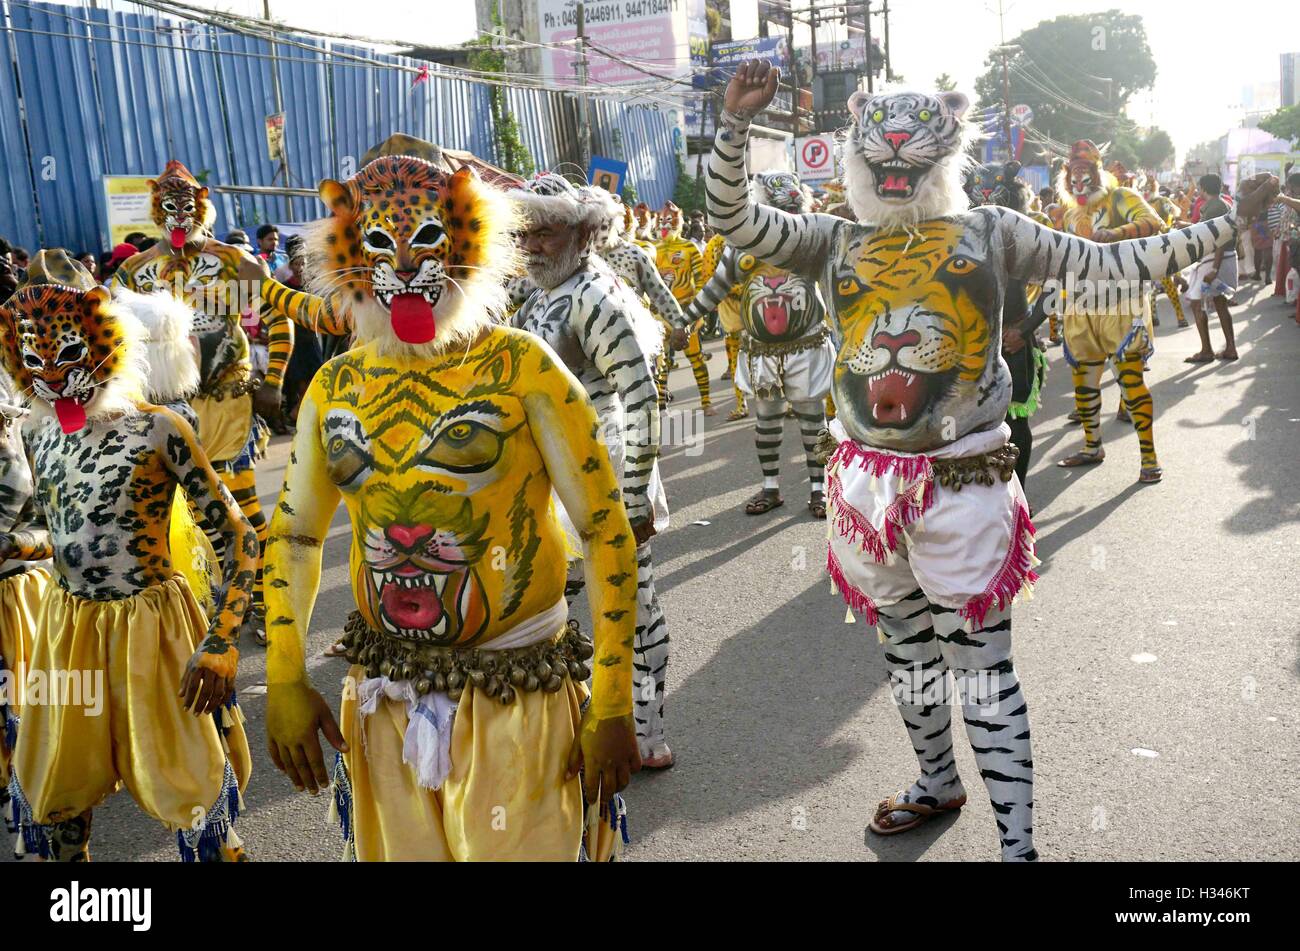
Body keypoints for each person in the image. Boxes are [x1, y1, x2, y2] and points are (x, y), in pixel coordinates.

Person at [708, 60, 1256, 861]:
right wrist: (731, 125)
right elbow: (732, 216)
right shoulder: (831, 238)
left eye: (911, 157)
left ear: (942, 159)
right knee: (904, 647)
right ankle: (937, 780)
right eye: (881, 156)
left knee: (983, 670)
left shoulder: (993, 230)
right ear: (859, 159)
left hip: (964, 482)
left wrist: (1229, 222)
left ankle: (1018, 850)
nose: (895, 166)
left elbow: (1117, 264)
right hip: (866, 484)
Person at [261, 135, 639, 860]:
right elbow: (294, 536)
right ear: (347, 253)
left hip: (519, 700)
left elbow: (605, 529)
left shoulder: (523, 366)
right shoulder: (335, 385)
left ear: (472, 234)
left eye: (429, 238)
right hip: (385, 699)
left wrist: (614, 700)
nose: (404, 264)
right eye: (377, 244)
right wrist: (283, 674)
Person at [0, 250, 257, 861]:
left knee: (195, 803)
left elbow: (239, 537)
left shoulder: (159, 429)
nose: (53, 378)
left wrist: (222, 641)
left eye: (66, 356)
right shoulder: (39, 433)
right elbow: (47, 526)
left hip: (155, 631)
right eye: (33, 362)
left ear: (103, 340)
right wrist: (18, 545)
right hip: (69, 631)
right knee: (60, 798)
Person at [511, 172, 676, 770]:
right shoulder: (542, 293)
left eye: (544, 233)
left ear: (584, 233)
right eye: (522, 232)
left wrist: (631, 498)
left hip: (604, 469)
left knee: (630, 598)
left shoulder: (596, 297)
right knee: (553, 596)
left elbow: (640, 399)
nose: (530, 245)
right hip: (551, 471)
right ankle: (576, 715)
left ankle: (645, 728)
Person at [113, 160, 294, 645]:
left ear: (203, 205)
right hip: (162, 410)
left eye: (186, 205)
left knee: (240, 507)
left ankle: (265, 603)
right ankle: (197, 605)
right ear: (154, 206)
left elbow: (279, 319)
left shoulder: (234, 262)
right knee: (176, 510)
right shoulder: (134, 272)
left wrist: (273, 380)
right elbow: (118, 340)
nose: (177, 215)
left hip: (224, 403)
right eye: (167, 205)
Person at [686, 170, 834, 519]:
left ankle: (821, 488)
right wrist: (684, 319)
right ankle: (771, 487)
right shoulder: (742, 245)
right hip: (761, 352)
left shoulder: (812, 238)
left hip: (807, 345)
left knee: (814, 420)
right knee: (767, 420)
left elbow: (840, 284)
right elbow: (716, 287)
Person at [1055, 140, 1166, 482]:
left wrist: (1114, 234)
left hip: (1121, 303)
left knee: (1130, 381)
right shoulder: (1070, 211)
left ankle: (1149, 459)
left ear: (1098, 172)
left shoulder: (1120, 198)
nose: (1079, 180)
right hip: (1081, 304)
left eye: (1086, 172)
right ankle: (1092, 447)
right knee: (1084, 381)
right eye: (1074, 174)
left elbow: (1155, 222)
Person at [1183, 174, 1239, 363]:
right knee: (1220, 303)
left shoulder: (1215, 207)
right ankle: (1230, 348)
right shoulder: (1221, 204)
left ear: (1203, 188)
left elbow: (1220, 238)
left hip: (1216, 261)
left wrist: (1214, 268)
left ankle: (1207, 350)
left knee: (1196, 302)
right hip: (1223, 259)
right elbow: (1205, 230)